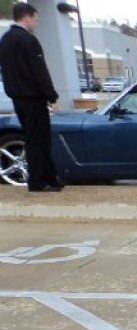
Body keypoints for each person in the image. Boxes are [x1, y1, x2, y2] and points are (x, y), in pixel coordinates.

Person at [0, 3, 62, 191]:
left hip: (18, 98)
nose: (35, 23)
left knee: (32, 137)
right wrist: (51, 96)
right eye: (35, 19)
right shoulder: (28, 40)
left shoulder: (5, 40)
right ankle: (39, 180)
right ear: (27, 18)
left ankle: (50, 178)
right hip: (33, 98)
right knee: (39, 140)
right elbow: (39, 72)